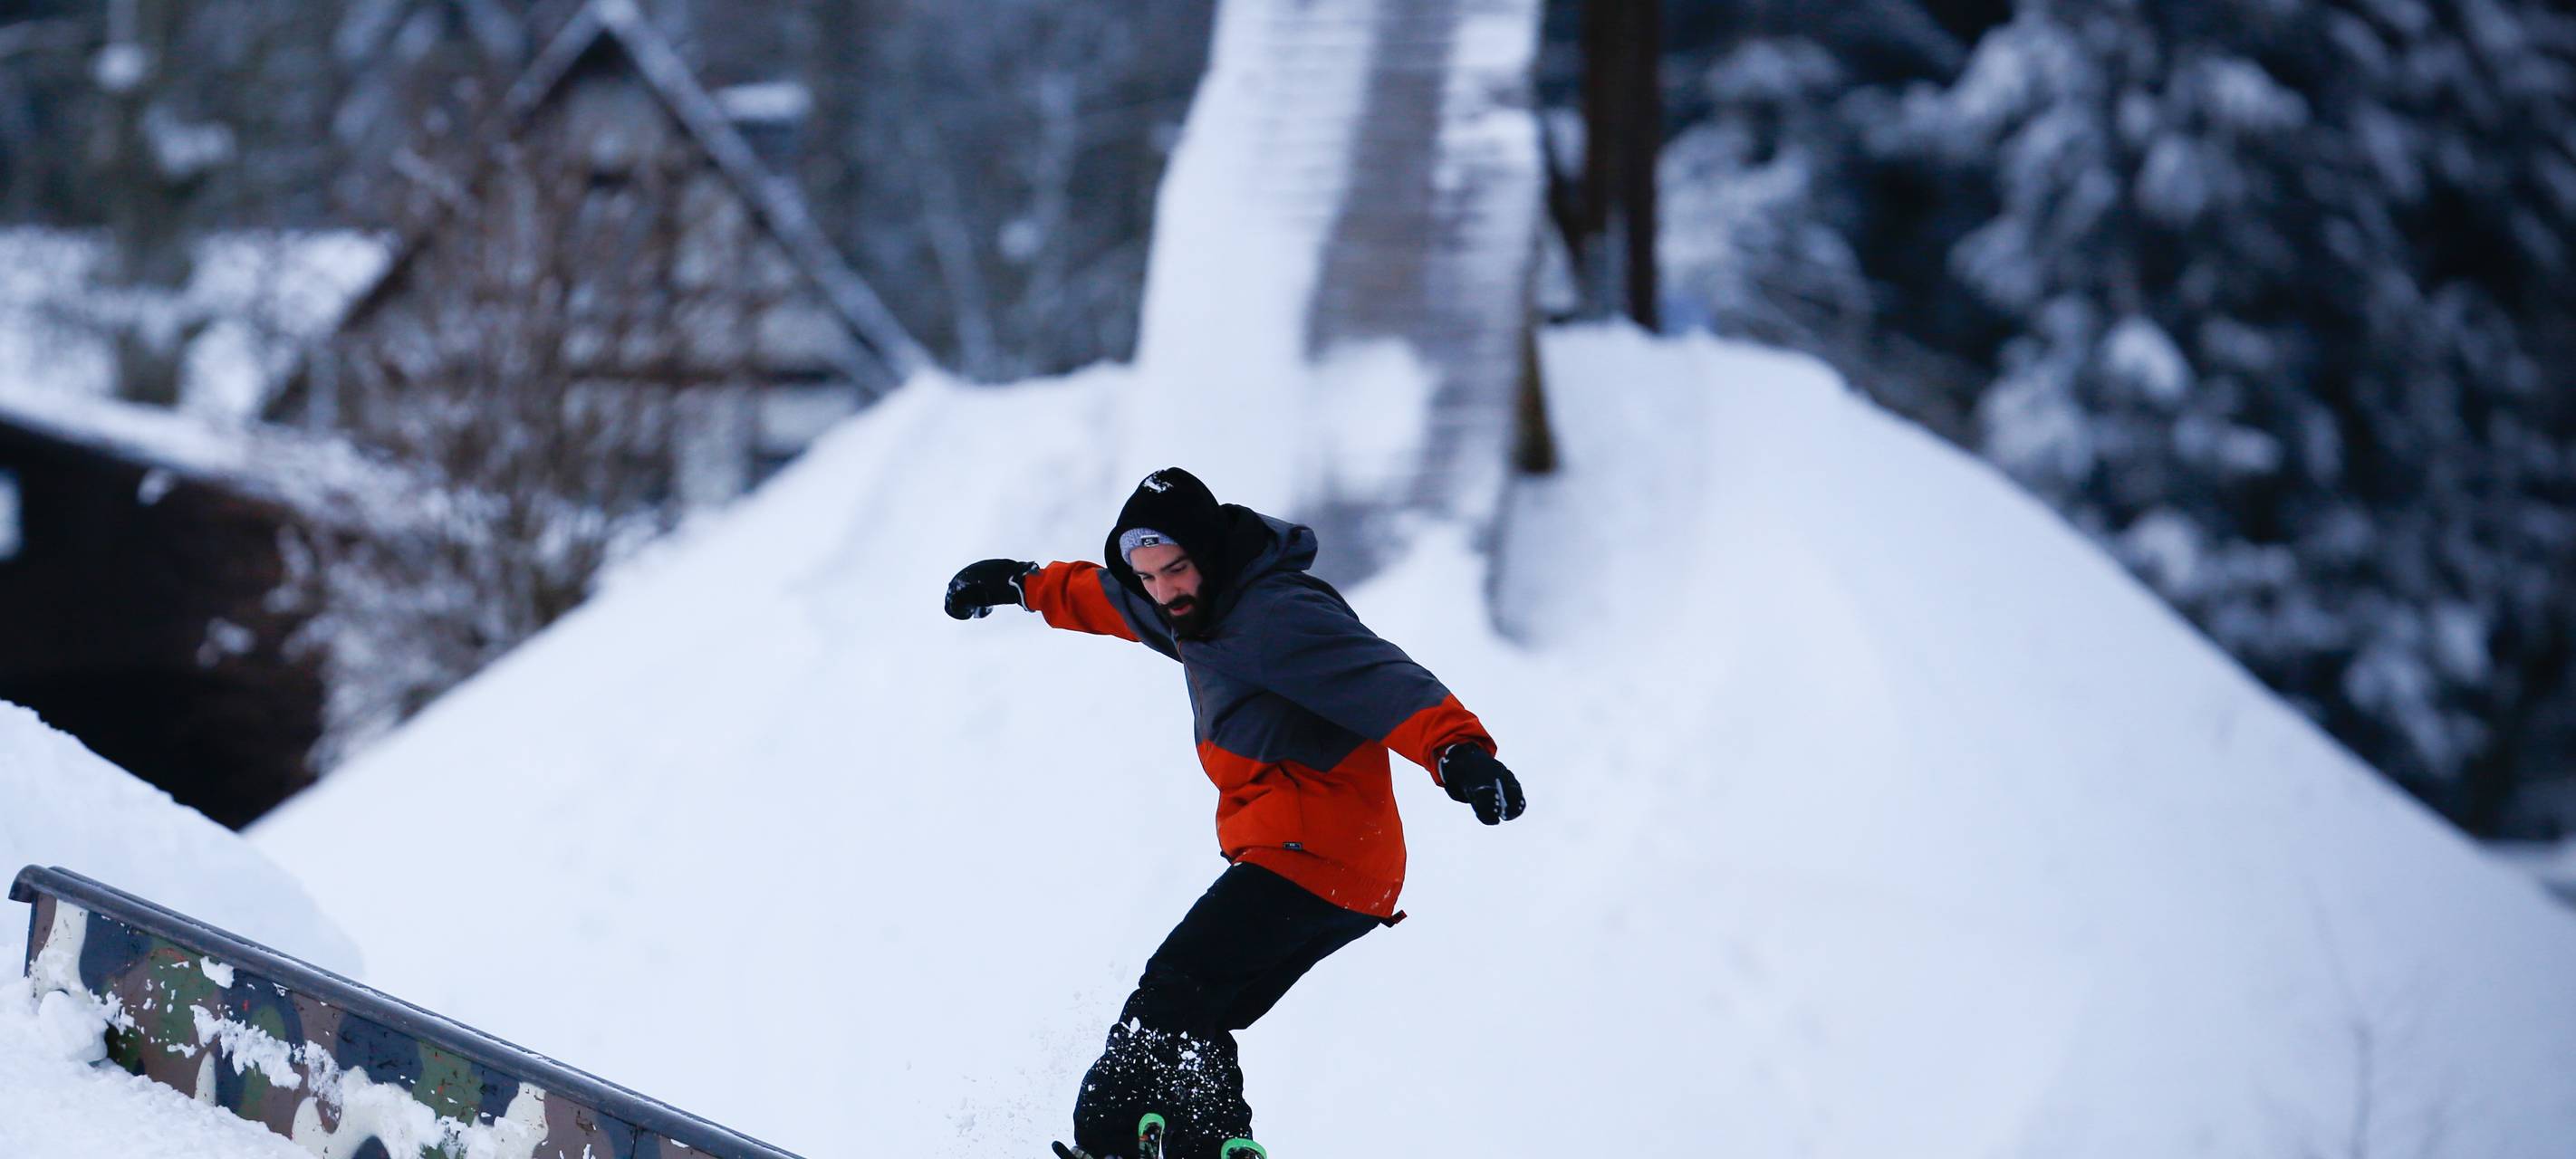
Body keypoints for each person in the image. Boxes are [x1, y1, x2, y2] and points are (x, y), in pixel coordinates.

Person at [944, 467, 1527, 1159]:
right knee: (1199, 1025)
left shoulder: (1274, 613)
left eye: (1176, 570)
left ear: (1209, 555)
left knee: (1162, 1007)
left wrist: (1458, 751)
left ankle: (1110, 1146)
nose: (1164, 589)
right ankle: (1222, 1148)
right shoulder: (1191, 607)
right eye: (1151, 575)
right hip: (1339, 870)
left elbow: (1383, 678)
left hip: (1312, 851)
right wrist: (1020, 583)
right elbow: (1110, 598)